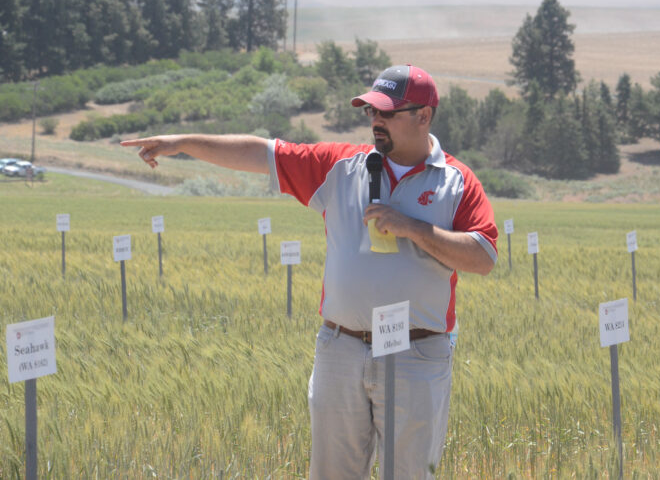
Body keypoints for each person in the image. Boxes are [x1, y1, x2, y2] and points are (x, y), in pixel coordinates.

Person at [121, 64, 498, 479]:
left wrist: (413, 227)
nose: (375, 121)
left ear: (423, 116)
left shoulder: (457, 181)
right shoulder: (340, 166)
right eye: (371, 112)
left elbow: (483, 257)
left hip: (416, 353)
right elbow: (260, 153)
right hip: (342, 349)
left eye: (386, 113)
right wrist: (182, 143)